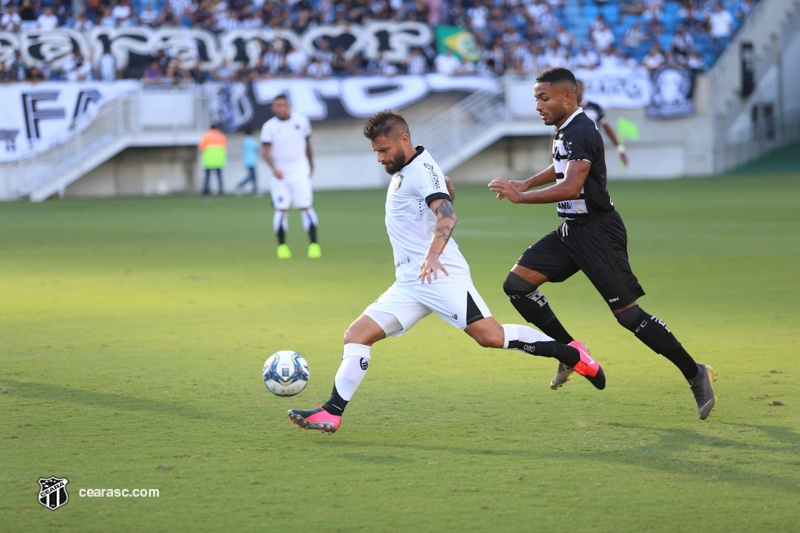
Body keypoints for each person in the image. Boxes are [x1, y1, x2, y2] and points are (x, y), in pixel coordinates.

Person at [286, 110, 606, 435]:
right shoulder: (414, 167)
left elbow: (447, 216)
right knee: (357, 335)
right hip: (410, 282)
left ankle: (572, 353)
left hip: (440, 275)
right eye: (376, 152)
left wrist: (432, 254)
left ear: (403, 140)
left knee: (491, 337)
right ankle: (331, 413)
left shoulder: (420, 171)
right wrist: (445, 195)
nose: (380, 158)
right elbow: (444, 196)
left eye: (384, 150)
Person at [487, 68, 717, 420]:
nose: (537, 105)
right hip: (572, 231)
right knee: (517, 285)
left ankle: (694, 372)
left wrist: (521, 198)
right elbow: (559, 167)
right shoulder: (565, 129)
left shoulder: (581, 129)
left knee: (629, 317)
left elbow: (572, 187)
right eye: (536, 98)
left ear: (568, 97)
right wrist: (525, 183)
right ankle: (571, 353)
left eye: (543, 98)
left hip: (598, 233)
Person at [260, 94, 320, 259]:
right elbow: (265, 152)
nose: (280, 108)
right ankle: (282, 247)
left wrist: (311, 164)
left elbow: (307, 144)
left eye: (283, 105)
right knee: (281, 210)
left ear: (289, 106)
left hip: (300, 170)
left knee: (306, 207)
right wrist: (274, 168)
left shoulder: (301, 122)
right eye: (277, 106)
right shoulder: (269, 127)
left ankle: (314, 245)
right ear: (273, 108)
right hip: (280, 174)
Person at [576, 79, 628, 167]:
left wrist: (620, 149)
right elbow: (557, 130)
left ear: (583, 89)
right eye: (573, 87)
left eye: (578, 87)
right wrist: (552, 150)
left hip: (593, 148)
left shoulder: (594, 107)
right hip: (574, 149)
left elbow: (607, 128)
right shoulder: (566, 109)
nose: (576, 90)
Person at [198, 123, 226, 197]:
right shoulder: (221, 135)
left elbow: (201, 148)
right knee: (219, 177)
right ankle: (221, 193)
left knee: (207, 178)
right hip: (218, 160)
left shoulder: (206, 136)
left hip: (208, 160)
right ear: (217, 127)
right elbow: (224, 147)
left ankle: (206, 193)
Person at [236, 130, 259, 195]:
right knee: (252, 176)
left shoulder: (245, 140)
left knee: (253, 176)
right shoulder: (252, 140)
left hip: (247, 160)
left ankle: (255, 190)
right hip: (252, 160)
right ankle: (240, 186)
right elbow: (256, 148)